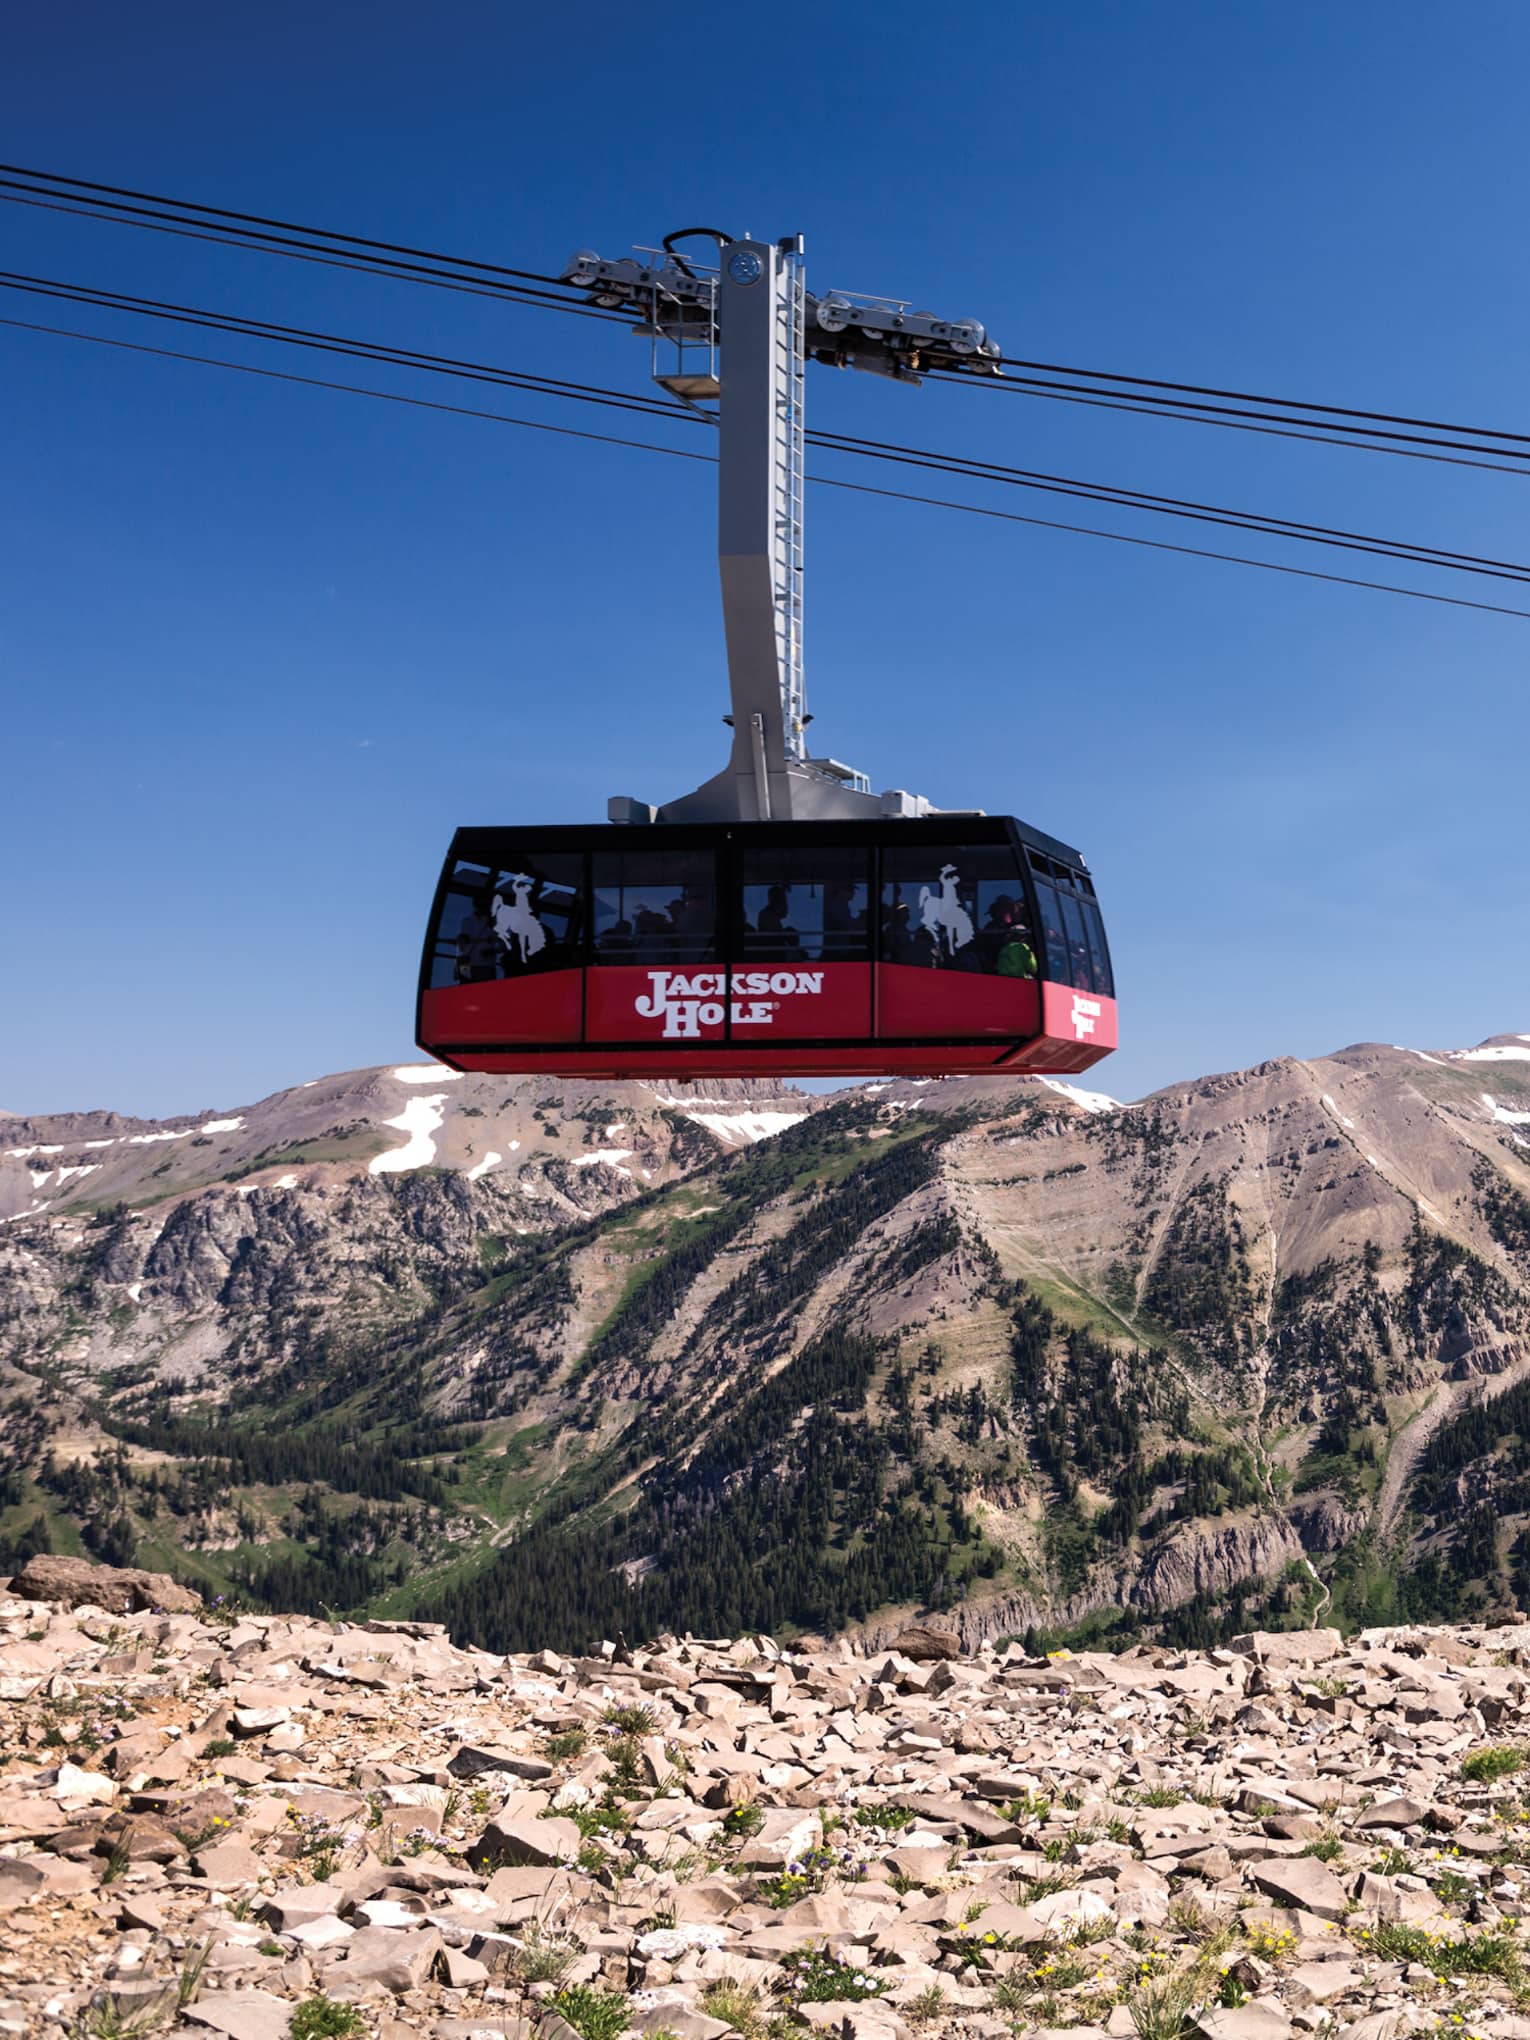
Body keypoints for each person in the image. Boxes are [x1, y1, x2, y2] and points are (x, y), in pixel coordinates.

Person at [455, 897, 500, 982]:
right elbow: (459, 944)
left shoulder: (494, 921)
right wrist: (462, 940)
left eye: (486, 905)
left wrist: (493, 951)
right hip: (466, 963)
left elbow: (504, 944)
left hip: (485, 965)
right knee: (466, 991)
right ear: (475, 906)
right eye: (481, 905)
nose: (484, 908)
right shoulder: (465, 921)